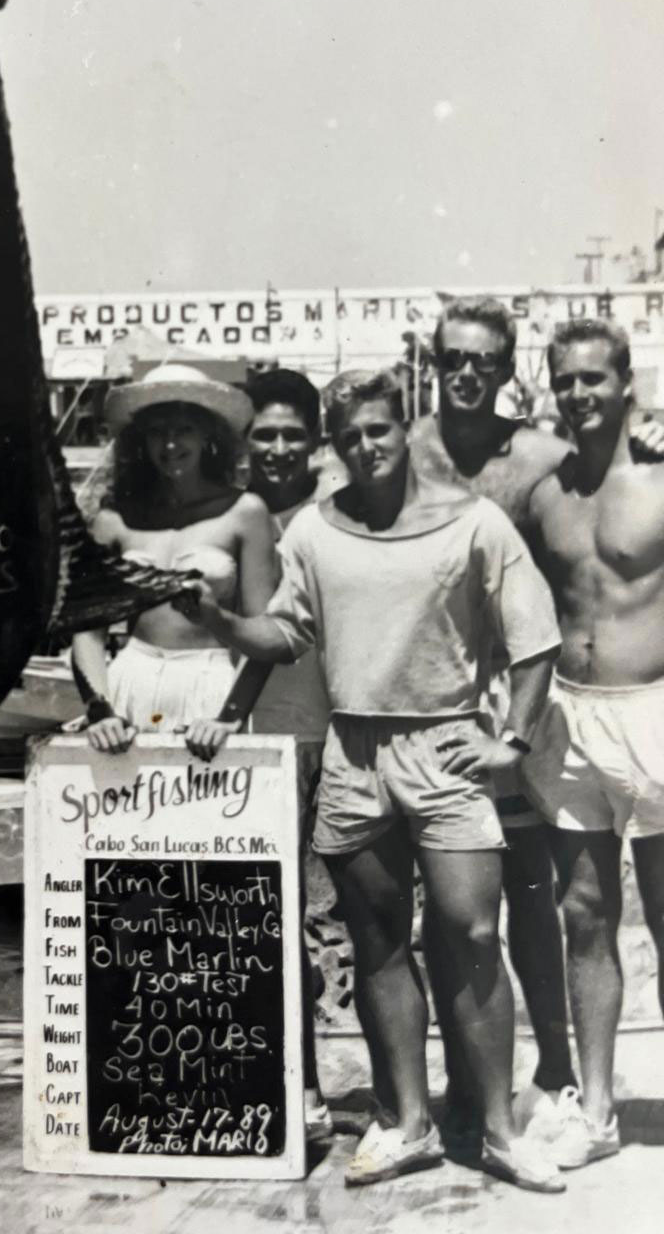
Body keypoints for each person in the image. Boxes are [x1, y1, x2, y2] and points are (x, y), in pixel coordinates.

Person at [180, 369, 564, 1193]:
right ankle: (407, 1123)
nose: (366, 447)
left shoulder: (475, 521)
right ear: (335, 444)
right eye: (349, 436)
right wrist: (215, 619)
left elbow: (535, 640)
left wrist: (513, 742)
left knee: (468, 934)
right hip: (355, 754)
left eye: (379, 431)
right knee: (378, 946)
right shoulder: (314, 532)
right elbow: (282, 633)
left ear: (404, 426)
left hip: (447, 750)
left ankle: (500, 1129)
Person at [407, 297, 579, 1154]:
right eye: (453, 360)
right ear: (434, 363)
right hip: (432, 709)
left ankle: (555, 1069)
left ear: (508, 368)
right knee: (447, 911)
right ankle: (469, 1079)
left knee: (534, 898)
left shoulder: (542, 459)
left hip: (517, 706)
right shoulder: (400, 451)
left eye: (484, 361)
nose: (467, 373)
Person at [522, 319, 664, 1169]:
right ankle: (599, 1109)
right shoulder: (546, 495)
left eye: (593, 380)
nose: (579, 395)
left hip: (652, 711)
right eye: (565, 381)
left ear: (625, 385)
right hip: (569, 718)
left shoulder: (661, 480)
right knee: (583, 913)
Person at [70, 363, 278, 761]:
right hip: (128, 684)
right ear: (139, 442)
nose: (169, 445)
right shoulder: (114, 519)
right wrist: (99, 709)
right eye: (156, 432)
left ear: (207, 435)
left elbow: (262, 631)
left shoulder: (245, 512)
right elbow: (87, 631)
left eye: (183, 429)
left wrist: (230, 716)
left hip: (214, 688)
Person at [230, 369, 337, 1140]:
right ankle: (277, 1077)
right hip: (250, 741)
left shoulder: (339, 514)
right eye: (262, 434)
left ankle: (312, 1084)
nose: (276, 448)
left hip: (331, 736)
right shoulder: (231, 515)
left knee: (336, 923)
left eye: (291, 434)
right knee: (257, 924)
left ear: (316, 441)